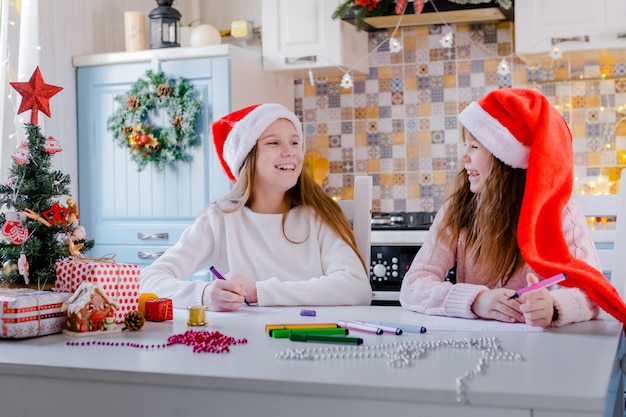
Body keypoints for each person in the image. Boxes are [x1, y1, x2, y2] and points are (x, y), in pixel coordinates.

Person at [400, 88, 626, 327]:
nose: (463, 157)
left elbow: (591, 292)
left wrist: (552, 307)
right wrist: (476, 300)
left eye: (474, 147)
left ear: (505, 160)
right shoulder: (456, 210)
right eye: (465, 145)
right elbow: (414, 285)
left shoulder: (561, 212)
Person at [140, 103, 372, 311]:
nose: (290, 151)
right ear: (246, 158)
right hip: (240, 344)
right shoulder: (221, 218)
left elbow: (356, 287)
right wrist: (202, 294)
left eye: (294, 142)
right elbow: (148, 280)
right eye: (273, 142)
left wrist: (258, 292)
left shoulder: (317, 216)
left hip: (310, 341)